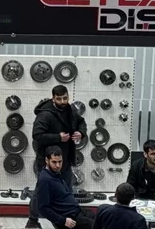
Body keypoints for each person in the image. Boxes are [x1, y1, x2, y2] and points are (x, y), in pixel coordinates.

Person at [27, 85, 88, 228]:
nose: (62, 101)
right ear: (53, 98)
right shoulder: (45, 115)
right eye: (59, 99)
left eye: (65, 98)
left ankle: (65, 221)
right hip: (47, 162)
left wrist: (81, 133)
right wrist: (58, 137)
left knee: (66, 191)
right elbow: (37, 135)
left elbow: (81, 121)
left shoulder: (70, 110)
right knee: (40, 193)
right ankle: (32, 220)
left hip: (65, 160)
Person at [36, 146, 94, 229]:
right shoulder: (45, 180)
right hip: (70, 219)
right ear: (46, 160)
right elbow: (43, 208)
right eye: (54, 162)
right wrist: (63, 221)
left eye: (60, 161)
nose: (58, 165)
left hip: (77, 211)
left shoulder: (55, 173)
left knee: (103, 217)